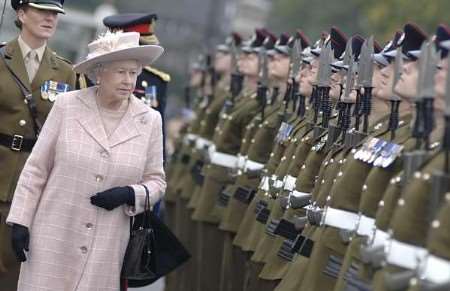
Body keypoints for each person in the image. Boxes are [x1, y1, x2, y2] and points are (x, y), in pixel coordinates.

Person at [6, 30, 166, 291]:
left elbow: (157, 182)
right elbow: (36, 169)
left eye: (133, 72)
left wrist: (129, 193)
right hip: (53, 234)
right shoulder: (67, 106)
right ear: (99, 72)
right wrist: (21, 221)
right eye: (120, 72)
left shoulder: (150, 120)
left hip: (107, 244)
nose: (128, 80)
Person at [0, 0, 76, 289]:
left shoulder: (65, 72)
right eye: (42, 11)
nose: (50, 18)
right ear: (21, 14)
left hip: (31, 185)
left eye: (55, 13)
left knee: (14, 270)